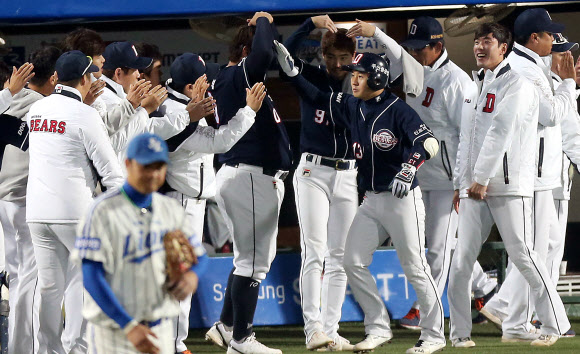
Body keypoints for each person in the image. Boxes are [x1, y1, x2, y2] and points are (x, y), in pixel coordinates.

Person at [277, 41, 445, 353]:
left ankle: (433, 335)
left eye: (360, 74)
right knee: (352, 261)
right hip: (371, 199)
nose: (353, 79)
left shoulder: (398, 110)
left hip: (402, 199)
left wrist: (409, 167)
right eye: (353, 74)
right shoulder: (353, 105)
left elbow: (429, 142)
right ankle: (379, 328)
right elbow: (318, 97)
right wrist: (293, 73)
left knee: (415, 266)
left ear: (378, 79)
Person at [347, 17, 498, 330]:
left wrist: (465, 181)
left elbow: (471, 133)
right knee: (440, 242)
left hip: (448, 181)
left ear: (438, 46)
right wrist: (377, 35)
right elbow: (396, 60)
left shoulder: (457, 82)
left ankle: (423, 311)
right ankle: (484, 289)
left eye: (420, 49)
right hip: (418, 176)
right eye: (412, 48)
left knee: (438, 248)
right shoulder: (417, 69)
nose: (414, 54)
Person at [448, 22, 569, 348]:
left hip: (508, 186)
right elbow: (465, 142)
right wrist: (461, 185)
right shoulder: (473, 88)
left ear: (504, 48)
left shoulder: (517, 84)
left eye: (487, 41)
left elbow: (501, 131)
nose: (479, 46)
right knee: (460, 263)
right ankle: (460, 334)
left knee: (526, 256)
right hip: (473, 189)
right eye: (477, 41)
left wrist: (481, 178)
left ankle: (553, 325)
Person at [479, 9, 576, 342]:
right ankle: (514, 313)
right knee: (533, 252)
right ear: (534, 38)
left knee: (540, 250)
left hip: (540, 172)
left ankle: (515, 318)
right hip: (530, 176)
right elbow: (552, 116)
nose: (553, 39)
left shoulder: (533, 66)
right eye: (549, 34)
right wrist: (568, 84)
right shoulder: (523, 70)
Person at [159, 53, 264, 354]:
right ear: (191, 85)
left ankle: (173, 345)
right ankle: (174, 347)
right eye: (206, 79)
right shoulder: (174, 111)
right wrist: (250, 111)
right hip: (178, 203)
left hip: (189, 202)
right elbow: (220, 141)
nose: (212, 83)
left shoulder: (187, 105)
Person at [25, 50, 125, 353]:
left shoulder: (37, 110)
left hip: (38, 212)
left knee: (50, 289)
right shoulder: (85, 114)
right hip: (74, 213)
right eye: (91, 74)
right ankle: (79, 350)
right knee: (89, 287)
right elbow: (112, 173)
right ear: (84, 78)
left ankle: (49, 350)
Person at [204, 12, 292, 354]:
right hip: (250, 175)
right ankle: (242, 339)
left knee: (249, 258)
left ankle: (227, 326)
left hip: (247, 174)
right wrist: (263, 20)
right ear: (245, 49)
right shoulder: (238, 74)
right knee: (252, 261)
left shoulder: (228, 80)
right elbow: (262, 55)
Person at [73, 132, 201, 354]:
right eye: (146, 166)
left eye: (159, 166)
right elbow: (91, 275)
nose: (153, 173)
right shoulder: (101, 211)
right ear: (128, 164)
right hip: (115, 332)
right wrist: (128, 325)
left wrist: (192, 275)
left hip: (160, 330)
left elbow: (200, 257)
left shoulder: (170, 210)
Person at [283, 15, 357, 351]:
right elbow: (283, 54)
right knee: (315, 250)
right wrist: (309, 24)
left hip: (348, 173)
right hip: (313, 171)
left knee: (341, 256)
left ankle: (331, 329)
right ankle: (313, 328)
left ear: (353, 57)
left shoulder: (360, 82)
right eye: (332, 57)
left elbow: (397, 68)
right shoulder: (310, 74)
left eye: (344, 58)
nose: (338, 64)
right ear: (323, 56)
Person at [0, 46, 60, 354]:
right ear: (53, 77)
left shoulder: (12, 98)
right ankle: (23, 347)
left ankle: (18, 346)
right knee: (28, 280)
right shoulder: (41, 105)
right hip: (24, 200)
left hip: (6, 200)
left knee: (19, 276)